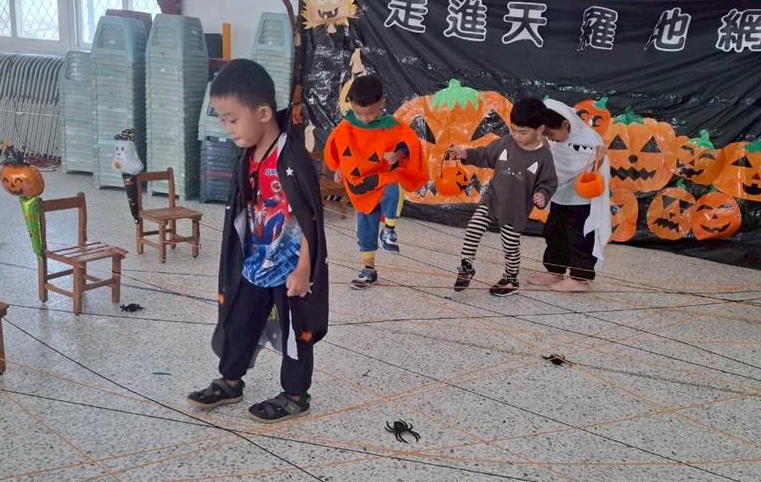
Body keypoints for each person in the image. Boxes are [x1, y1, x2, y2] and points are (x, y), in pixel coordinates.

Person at [189, 59, 328, 423]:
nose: (227, 128)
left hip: (290, 268)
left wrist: (304, 270)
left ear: (263, 113)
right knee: (239, 321)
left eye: (232, 119)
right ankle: (231, 380)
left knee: (296, 332)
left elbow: (311, 220)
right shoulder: (248, 156)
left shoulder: (291, 157)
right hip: (255, 262)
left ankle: (295, 395)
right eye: (223, 119)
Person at [324, 74, 427, 289]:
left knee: (394, 188)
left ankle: (389, 229)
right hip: (361, 185)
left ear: (382, 102)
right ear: (351, 105)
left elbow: (409, 144)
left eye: (370, 113)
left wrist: (398, 155)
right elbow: (338, 151)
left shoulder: (391, 126)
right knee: (365, 225)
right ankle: (368, 269)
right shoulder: (346, 127)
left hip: (384, 178)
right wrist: (339, 168)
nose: (365, 119)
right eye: (359, 113)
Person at [449, 97, 558, 297]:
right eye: (513, 130)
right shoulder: (506, 142)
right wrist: (465, 154)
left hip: (515, 208)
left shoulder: (544, 156)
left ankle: (511, 278)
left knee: (510, 245)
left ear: (540, 130)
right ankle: (466, 266)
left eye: (522, 132)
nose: (516, 136)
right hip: (493, 198)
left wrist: (542, 195)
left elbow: (549, 182)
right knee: (474, 227)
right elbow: (485, 155)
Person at [526, 98, 611, 292]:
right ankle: (555, 270)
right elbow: (553, 165)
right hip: (560, 197)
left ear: (565, 124)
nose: (550, 138)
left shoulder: (588, 139)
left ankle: (580, 278)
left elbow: (593, 168)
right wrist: (545, 145)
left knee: (579, 237)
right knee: (554, 234)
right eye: (545, 134)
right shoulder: (553, 141)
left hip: (581, 200)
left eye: (551, 133)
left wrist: (599, 160)